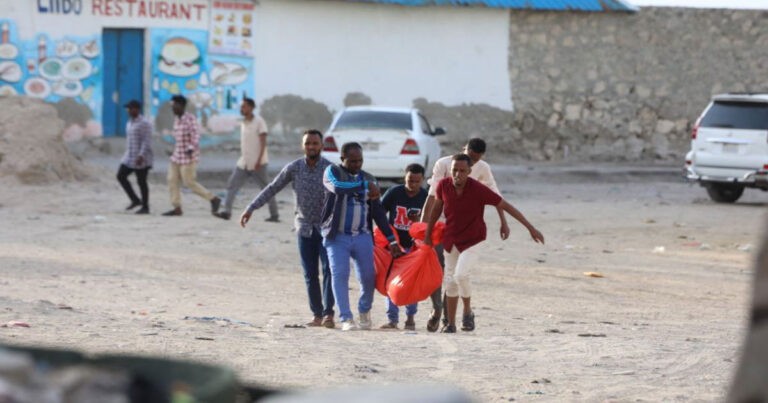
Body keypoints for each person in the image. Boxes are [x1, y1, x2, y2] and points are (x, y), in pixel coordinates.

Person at [423, 154, 544, 333]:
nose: (457, 174)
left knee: (461, 275)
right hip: (451, 239)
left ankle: (467, 311)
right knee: (449, 281)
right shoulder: (443, 185)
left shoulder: (478, 189)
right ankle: (451, 323)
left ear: (469, 172)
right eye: (454, 170)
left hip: (473, 239)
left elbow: (505, 205)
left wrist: (530, 228)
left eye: (462, 171)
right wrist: (427, 234)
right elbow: (436, 210)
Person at [239, 129, 335, 328]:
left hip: (327, 229)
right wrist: (251, 208)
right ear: (303, 146)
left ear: (321, 146)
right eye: (307, 143)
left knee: (329, 271)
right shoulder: (294, 168)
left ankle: (329, 314)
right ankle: (317, 314)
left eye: (315, 143)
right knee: (310, 274)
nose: (311, 147)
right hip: (304, 228)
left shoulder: (330, 169)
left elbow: (344, 194)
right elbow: (272, 187)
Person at [420, 137, 509, 332]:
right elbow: (432, 197)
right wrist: (423, 226)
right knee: (439, 270)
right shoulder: (444, 164)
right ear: (463, 149)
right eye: (469, 156)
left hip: (466, 227)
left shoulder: (482, 168)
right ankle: (437, 311)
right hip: (442, 225)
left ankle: (450, 318)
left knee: (455, 275)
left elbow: (495, 196)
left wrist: (503, 221)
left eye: (475, 160)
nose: (471, 162)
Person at [321, 142, 403, 331]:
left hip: (362, 236)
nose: (357, 165)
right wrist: (364, 186)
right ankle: (346, 318)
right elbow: (339, 187)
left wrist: (391, 239)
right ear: (342, 159)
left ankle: (364, 311)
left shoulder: (369, 178)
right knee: (340, 275)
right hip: (337, 237)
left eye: (360, 161)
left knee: (368, 277)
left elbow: (378, 214)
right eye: (352, 161)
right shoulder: (332, 173)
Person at [378, 163, 427, 331]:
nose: (411, 185)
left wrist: (418, 221)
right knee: (391, 282)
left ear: (422, 180)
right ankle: (392, 320)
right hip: (395, 246)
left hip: (414, 247)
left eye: (416, 181)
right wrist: (387, 239)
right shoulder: (394, 192)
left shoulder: (426, 197)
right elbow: (379, 214)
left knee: (411, 284)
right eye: (409, 180)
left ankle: (410, 318)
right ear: (404, 177)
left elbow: (429, 222)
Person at [215, 97, 279, 222]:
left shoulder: (259, 121)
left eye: (244, 106)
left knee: (266, 189)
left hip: (258, 163)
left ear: (251, 107)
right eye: (241, 107)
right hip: (244, 162)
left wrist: (259, 161)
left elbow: (263, 142)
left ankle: (274, 214)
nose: (242, 109)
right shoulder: (243, 122)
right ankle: (227, 212)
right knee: (232, 185)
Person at [161, 95, 221, 217]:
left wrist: (190, 148)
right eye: (172, 106)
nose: (173, 109)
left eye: (175, 106)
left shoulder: (190, 119)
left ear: (182, 106)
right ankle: (177, 207)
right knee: (172, 180)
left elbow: (196, 135)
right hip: (177, 156)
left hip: (188, 157)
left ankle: (213, 199)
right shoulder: (177, 119)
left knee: (189, 182)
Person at [117, 100, 153, 215]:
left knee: (141, 181)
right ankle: (135, 200)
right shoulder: (130, 122)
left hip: (141, 158)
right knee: (121, 176)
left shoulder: (144, 123)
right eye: (128, 109)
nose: (129, 111)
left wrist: (141, 155)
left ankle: (145, 207)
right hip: (130, 156)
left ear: (137, 109)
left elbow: (146, 141)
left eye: (131, 108)